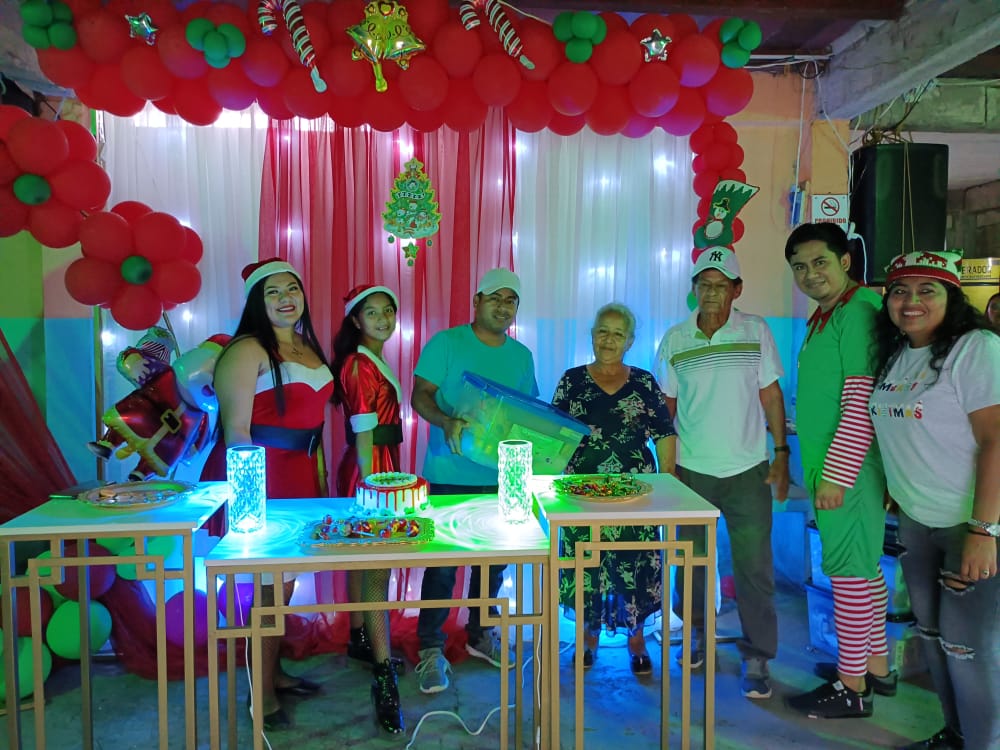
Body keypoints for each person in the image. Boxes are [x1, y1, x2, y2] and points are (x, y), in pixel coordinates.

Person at [869, 250, 1000, 750]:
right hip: (917, 523)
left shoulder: (976, 349)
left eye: (928, 290)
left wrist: (984, 530)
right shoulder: (898, 353)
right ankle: (955, 735)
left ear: (952, 297)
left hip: (969, 526)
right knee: (933, 638)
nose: (911, 301)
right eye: (900, 291)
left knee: (969, 650)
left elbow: (996, 440)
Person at [654, 247, 789, 699]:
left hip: (747, 470)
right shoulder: (675, 339)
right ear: (693, 289)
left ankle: (757, 655)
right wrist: (666, 470)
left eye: (720, 285)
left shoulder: (756, 331)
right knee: (690, 566)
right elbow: (666, 408)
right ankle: (696, 636)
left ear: (737, 290)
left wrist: (781, 452)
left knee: (754, 568)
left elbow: (771, 395)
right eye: (703, 285)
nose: (711, 293)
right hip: (691, 472)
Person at [204, 258, 333, 730]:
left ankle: (272, 674)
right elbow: (236, 431)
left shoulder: (305, 345)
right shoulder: (246, 350)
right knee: (267, 588)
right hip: (262, 477)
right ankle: (260, 695)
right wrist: (249, 502)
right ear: (256, 302)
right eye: (272, 291)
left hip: (302, 474)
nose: (285, 298)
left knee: (284, 584)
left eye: (292, 288)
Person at [410, 268, 539, 694]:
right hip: (450, 473)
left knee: (493, 563)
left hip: (504, 478)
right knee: (444, 565)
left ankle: (481, 634)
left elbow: (527, 410)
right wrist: (446, 421)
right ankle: (431, 648)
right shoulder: (446, 343)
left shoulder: (521, 356)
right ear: (477, 301)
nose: (502, 307)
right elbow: (420, 395)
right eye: (494, 298)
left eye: (510, 300)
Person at [782, 223, 892, 719]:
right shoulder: (828, 314)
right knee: (864, 567)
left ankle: (852, 688)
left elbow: (861, 397)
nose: (810, 274)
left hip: (848, 470)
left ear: (845, 261)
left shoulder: (859, 310)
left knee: (847, 572)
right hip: (834, 465)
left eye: (819, 262)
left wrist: (837, 476)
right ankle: (875, 667)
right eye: (799, 267)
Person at [552, 303, 676, 677]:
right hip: (582, 494)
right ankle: (588, 637)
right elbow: (553, 432)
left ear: (630, 341)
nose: (608, 340)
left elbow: (664, 433)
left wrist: (668, 482)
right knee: (586, 565)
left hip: (636, 496)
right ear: (592, 335)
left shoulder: (644, 382)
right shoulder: (572, 380)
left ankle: (636, 640)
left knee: (634, 566)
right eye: (602, 331)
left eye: (617, 334)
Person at [331, 284, 405, 734]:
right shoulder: (359, 364)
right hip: (370, 469)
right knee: (377, 566)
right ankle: (384, 678)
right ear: (356, 320)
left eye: (388, 311)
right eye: (372, 312)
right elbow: (363, 430)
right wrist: (372, 484)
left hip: (380, 464)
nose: (382, 319)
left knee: (365, 562)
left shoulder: (371, 359)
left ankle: (359, 637)